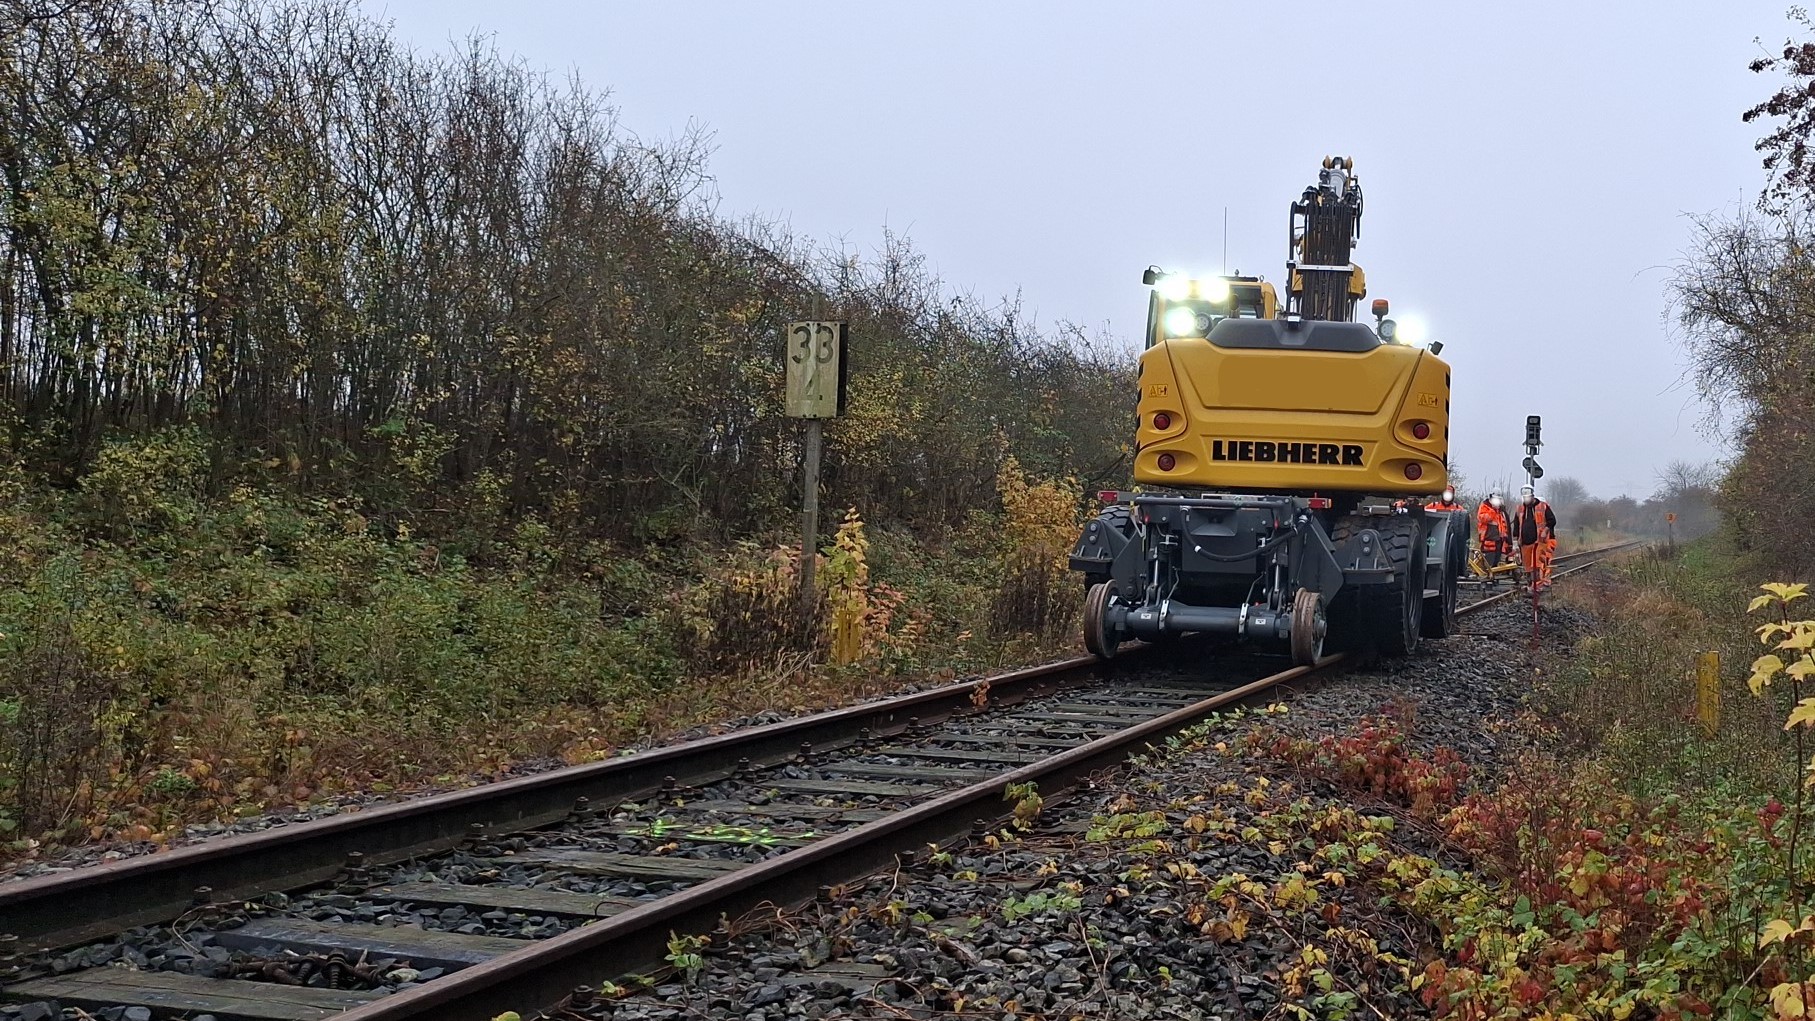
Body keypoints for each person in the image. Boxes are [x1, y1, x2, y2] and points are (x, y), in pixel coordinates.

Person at [1512, 485, 1557, 590]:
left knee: (1536, 566)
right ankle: (1530, 585)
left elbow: (1552, 520)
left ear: (1532, 496)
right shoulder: (1520, 509)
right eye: (1524, 497)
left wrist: (1545, 530)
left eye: (1528, 497)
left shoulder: (1542, 506)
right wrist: (1515, 542)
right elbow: (1517, 525)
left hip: (1538, 542)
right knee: (1528, 567)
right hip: (1524, 543)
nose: (1526, 500)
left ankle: (1537, 586)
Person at [1477, 492, 1510, 584]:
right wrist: (1493, 510)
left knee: (1496, 563)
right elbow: (1483, 518)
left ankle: (1493, 580)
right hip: (1488, 540)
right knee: (1488, 563)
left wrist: (1505, 538)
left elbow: (1503, 526)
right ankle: (1486, 581)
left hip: (1498, 541)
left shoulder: (1500, 511)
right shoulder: (1485, 507)